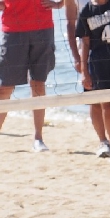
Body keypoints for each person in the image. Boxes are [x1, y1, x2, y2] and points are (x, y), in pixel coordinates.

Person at [66, 0, 110, 159]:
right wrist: (78, 59)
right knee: (98, 103)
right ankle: (104, 142)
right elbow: (70, 24)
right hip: (92, 55)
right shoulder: (85, 9)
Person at [0, 0, 59, 151]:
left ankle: (38, 138)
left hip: (42, 27)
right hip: (13, 28)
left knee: (38, 84)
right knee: (6, 88)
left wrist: (60, 4)